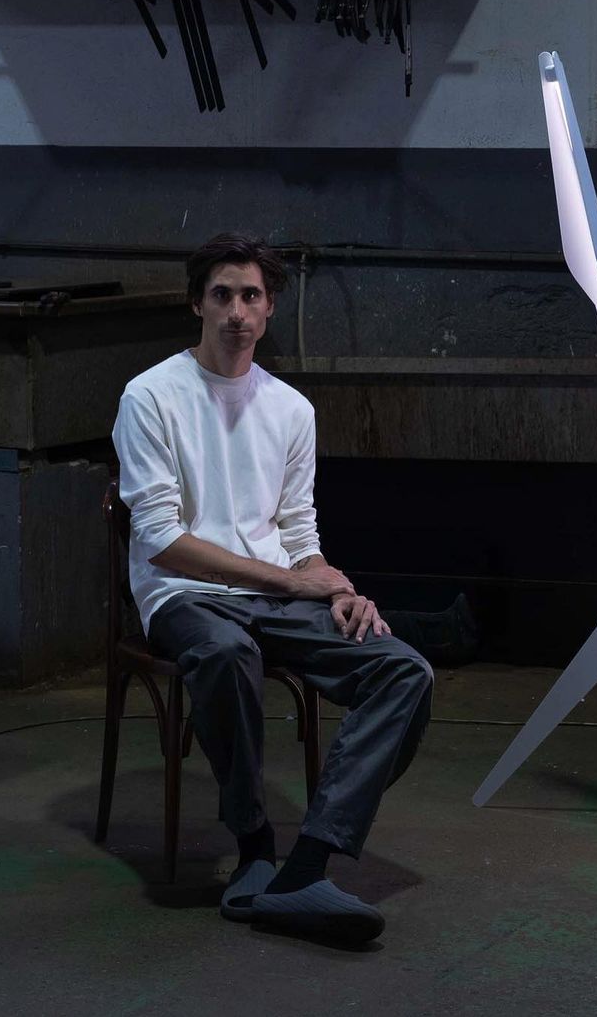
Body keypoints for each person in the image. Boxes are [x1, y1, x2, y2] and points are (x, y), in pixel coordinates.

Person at [112, 232, 433, 943]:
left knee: (403, 670)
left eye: (251, 296)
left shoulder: (291, 409)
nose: (237, 311)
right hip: (183, 595)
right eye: (222, 295)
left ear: (269, 308)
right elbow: (161, 539)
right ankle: (255, 844)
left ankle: (304, 869)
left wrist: (333, 584)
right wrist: (292, 581)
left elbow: (297, 528)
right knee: (228, 654)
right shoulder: (150, 396)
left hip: (275, 594)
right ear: (197, 303)